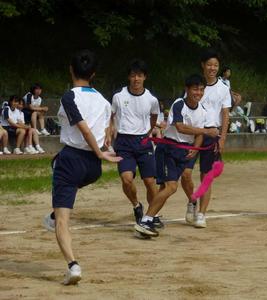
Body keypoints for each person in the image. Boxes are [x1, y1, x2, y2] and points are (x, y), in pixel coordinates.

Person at [42, 50, 121, 285]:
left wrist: (99, 150)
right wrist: (104, 147)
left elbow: (85, 129)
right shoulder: (103, 100)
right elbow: (107, 133)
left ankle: (72, 265)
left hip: (73, 160)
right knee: (59, 173)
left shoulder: (69, 97)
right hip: (92, 168)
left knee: (63, 219)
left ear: (71, 70)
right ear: (93, 74)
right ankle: (53, 214)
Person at [134, 74, 219, 236]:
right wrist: (207, 131)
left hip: (185, 150)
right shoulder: (179, 104)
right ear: (187, 89)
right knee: (170, 187)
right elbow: (180, 127)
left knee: (167, 187)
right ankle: (146, 220)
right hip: (169, 149)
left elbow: (199, 134)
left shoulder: (202, 111)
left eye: (201, 90)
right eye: (195, 89)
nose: (198, 93)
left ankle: (148, 220)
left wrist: (195, 148)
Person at [106, 59, 161, 228]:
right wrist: (109, 133)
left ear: (145, 77)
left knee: (150, 181)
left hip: (143, 142)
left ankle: (153, 214)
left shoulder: (151, 99)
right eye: (133, 75)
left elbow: (154, 117)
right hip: (124, 142)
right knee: (126, 179)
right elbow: (111, 116)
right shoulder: (118, 96)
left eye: (140, 75)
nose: (136, 79)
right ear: (129, 77)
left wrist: (147, 132)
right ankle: (137, 205)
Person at [181, 49, 231, 228]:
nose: (212, 68)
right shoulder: (193, 86)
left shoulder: (223, 89)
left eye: (216, 65)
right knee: (185, 174)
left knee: (206, 176)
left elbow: (225, 114)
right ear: (203, 65)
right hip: (193, 134)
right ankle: (192, 201)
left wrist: (222, 138)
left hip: (211, 135)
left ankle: (201, 213)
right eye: (209, 64)